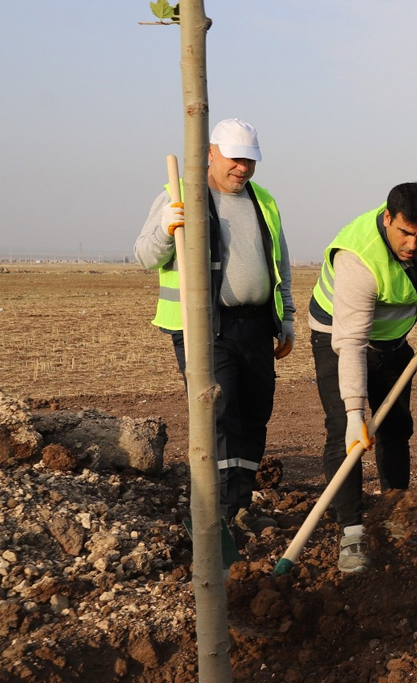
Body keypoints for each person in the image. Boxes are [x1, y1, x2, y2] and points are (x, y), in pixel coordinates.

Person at [134, 118, 294, 534]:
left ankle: (240, 505)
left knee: (255, 414)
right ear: (210, 153)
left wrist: (287, 316)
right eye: (235, 159)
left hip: (256, 325)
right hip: (203, 329)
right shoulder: (179, 195)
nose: (243, 168)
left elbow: (280, 263)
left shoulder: (265, 202)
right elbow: (143, 256)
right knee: (219, 416)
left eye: (250, 161)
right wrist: (167, 230)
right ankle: (213, 513)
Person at [308, 182, 417, 573]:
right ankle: (352, 532)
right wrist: (356, 412)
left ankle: (396, 515)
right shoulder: (358, 258)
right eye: (405, 233)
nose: (413, 244)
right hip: (339, 339)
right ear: (387, 218)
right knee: (345, 431)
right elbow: (352, 345)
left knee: (396, 427)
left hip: (393, 339)